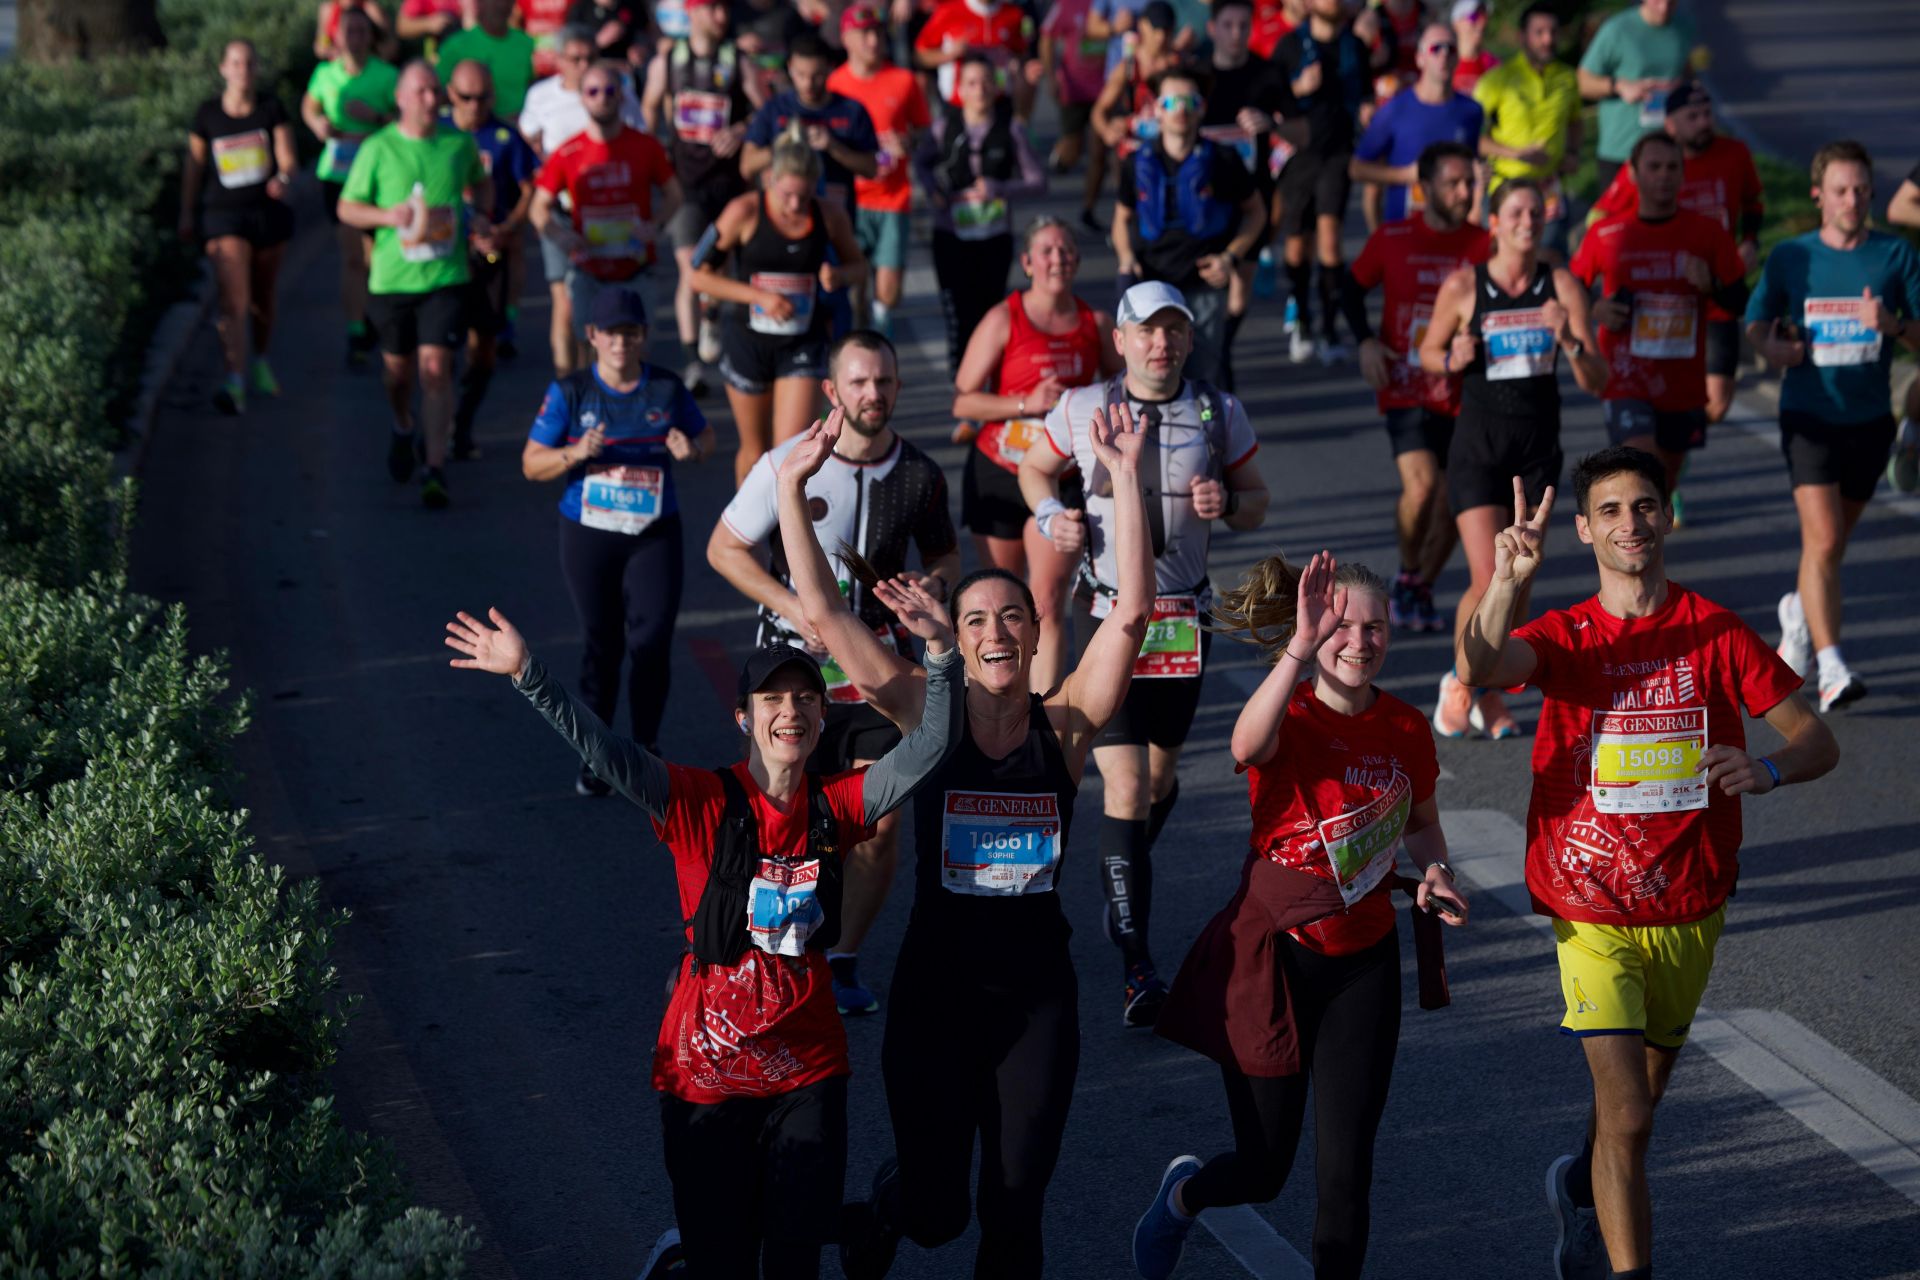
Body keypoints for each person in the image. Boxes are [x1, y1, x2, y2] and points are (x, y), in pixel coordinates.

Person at [443, 586, 965, 1279]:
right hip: (705, 1077)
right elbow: (610, 755)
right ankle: (686, 1253)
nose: (792, 711)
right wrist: (526, 673)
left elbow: (931, 744)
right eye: (773, 701)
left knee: (792, 1260)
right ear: (743, 718)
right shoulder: (697, 801)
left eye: (806, 700)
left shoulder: (838, 805)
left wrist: (942, 648)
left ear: (820, 717)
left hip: (806, 1068)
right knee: (723, 1261)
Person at [1455, 450, 1838, 1280]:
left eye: (1644, 506)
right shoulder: (1564, 635)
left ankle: (1584, 1194)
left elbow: (1817, 739)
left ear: (1665, 517)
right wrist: (1505, 580)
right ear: (1586, 529)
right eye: (1612, 511)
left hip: (1690, 904)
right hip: (1587, 904)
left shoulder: (1716, 631)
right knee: (1625, 1113)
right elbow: (1479, 668)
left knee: (1638, 1111)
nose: (1630, 523)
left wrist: (1767, 769)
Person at [796, 399, 1152, 1280]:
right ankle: (887, 1208)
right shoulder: (927, 711)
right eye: (978, 622)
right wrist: (788, 484)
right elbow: (826, 620)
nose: (997, 633)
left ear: (1034, 637)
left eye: (1013, 619)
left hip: (1036, 996)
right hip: (936, 993)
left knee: (1014, 1209)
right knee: (934, 1211)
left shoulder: (1063, 726)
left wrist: (1129, 478)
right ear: (956, 641)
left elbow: (1134, 613)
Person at [1132, 552, 1469, 1280]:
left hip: (1365, 961)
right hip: (1274, 958)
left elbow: (1422, 826)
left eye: (1374, 627)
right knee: (1265, 1168)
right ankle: (1184, 1197)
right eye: (1341, 626)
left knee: (1347, 1171)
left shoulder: (1407, 727)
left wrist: (1437, 870)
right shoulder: (1290, 713)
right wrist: (1297, 645)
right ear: (1314, 632)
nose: (1360, 641)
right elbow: (1244, 746)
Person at [1019, 280, 1271, 1024]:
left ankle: (1124, 871)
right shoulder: (1080, 406)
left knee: (1159, 784)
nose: (1161, 344)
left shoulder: (1217, 412)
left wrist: (1230, 503)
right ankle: (1137, 962)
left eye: (1175, 332)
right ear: (1121, 339)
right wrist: (1050, 515)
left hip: (1183, 625)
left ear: (1189, 341)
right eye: (1147, 332)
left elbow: (1258, 502)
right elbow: (1035, 468)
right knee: (1124, 788)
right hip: (1110, 621)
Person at [709, 331, 959, 1014]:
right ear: (832, 391)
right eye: (857, 383)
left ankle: (842, 959)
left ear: (898, 388)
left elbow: (947, 556)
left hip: (876, 677)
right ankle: (770, 955)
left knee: (879, 828)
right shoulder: (788, 464)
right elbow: (724, 549)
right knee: (782, 820)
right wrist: (797, 606)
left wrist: (930, 586)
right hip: (794, 673)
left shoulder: (920, 475)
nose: (871, 395)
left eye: (883, 382)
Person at [1418, 177, 1608, 738]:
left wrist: (1568, 339)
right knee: (1487, 576)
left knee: (1520, 581)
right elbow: (1428, 352)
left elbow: (1596, 376)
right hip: (1478, 446)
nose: (1529, 221)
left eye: (1537, 212)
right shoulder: (1463, 286)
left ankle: (1490, 693)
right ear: (1494, 222)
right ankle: (1461, 679)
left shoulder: (1561, 286)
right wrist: (1451, 356)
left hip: (1538, 450)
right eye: (1517, 212)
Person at [1746, 139, 1920, 713]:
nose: (1854, 199)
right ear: (1819, 195)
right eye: (1842, 190)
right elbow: (1758, 324)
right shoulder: (1792, 257)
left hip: (1870, 422)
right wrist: (1776, 349)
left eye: (1862, 189)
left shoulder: (1896, 257)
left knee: (1831, 547)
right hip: (1809, 418)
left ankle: (1797, 616)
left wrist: (1893, 325)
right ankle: (1833, 667)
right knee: (1822, 540)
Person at [521, 286, 714, 792]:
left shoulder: (667, 389)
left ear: (644, 336)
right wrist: (573, 453)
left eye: (630, 333)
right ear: (592, 336)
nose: (621, 343)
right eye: (610, 333)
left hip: (653, 532)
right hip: (589, 533)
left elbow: (707, 438)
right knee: (603, 645)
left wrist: (689, 449)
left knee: (650, 643)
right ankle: (597, 752)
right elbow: (531, 463)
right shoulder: (572, 391)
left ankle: (646, 748)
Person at [954, 216, 1122, 691]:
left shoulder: (1096, 323)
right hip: (998, 472)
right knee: (997, 602)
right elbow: (963, 399)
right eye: (1046, 251)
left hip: (1057, 478)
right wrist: (1027, 403)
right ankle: (993, 703)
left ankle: (1040, 716)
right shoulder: (1004, 318)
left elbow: (1126, 392)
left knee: (1045, 599)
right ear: (1027, 263)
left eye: (1066, 251)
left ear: (1077, 261)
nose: (1057, 259)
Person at [1341, 141, 1489, 634]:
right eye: (1454, 182)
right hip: (1405, 382)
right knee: (1423, 487)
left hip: (1464, 388)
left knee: (1453, 499)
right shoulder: (1393, 236)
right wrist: (1364, 341)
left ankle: (1417, 584)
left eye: (1470, 181)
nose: (1466, 191)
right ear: (1425, 190)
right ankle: (1408, 570)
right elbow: (1350, 288)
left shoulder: (1484, 245)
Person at [337, 59, 491, 508]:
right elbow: (348, 208)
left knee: (436, 369)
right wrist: (388, 216)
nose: (430, 99)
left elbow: (482, 185)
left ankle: (435, 467)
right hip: (391, 282)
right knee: (398, 375)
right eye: (421, 92)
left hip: (446, 277)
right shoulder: (378, 148)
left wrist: (480, 214)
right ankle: (404, 424)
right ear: (401, 99)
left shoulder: (457, 144)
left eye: (434, 91)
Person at [1570, 132, 1749, 495]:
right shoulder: (1608, 233)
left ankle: (1651, 548)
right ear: (1633, 174)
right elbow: (1570, 286)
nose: (1663, 176)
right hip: (1624, 376)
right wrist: (1595, 307)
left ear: (1683, 175)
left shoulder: (1707, 233)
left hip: (1681, 383)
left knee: (1661, 488)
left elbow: (1738, 302)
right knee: (1642, 470)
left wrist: (1711, 284)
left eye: (1672, 168)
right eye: (1653, 167)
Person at [691, 123, 869, 483]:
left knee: (790, 449)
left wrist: (839, 277)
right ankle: (746, 535)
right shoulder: (743, 211)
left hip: (801, 341)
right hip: (748, 338)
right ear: (769, 178)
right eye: (787, 194)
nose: (793, 205)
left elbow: (860, 266)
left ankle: (786, 536)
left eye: (803, 197)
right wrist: (759, 296)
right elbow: (699, 276)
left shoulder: (829, 214)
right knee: (755, 452)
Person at [1590, 81, 1762, 428]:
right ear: (1670, 124)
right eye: (1692, 116)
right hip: (1657, 298)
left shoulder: (1734, 153)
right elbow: (1600, 218)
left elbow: (1752, 202)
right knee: (1650, 403)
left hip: (1714, 290)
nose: (1703, 122)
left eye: (1707, 114)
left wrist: (1751, 242)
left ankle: (1669, 468)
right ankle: (1662, 473)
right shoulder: (1652, 164)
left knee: (1715, 404)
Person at [1113, 65, 1264, 389]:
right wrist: (1126, 259)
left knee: (1208, 384)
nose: (1180, 110)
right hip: (1150, 287)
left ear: (1202, 109)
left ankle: (1214, 439)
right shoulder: (1135, 162)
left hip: (1202, 289)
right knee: (1148, 382)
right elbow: (1121, 220)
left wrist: (1230, 257)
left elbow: (1256, 213)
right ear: (1156, 110)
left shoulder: (1223, 160)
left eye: (1189, 102)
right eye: (1170, 103)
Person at [530, 61, 682, 372]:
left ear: (622, 97)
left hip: (636, 268)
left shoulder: (644, 146)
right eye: (593, 91)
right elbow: (538, 207)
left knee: (636, 359)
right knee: (590, 357)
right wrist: (562, 237)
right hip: (589, 271)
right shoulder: (568, 152)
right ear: (582, 98)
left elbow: (674, 195)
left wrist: (655, 225)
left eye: (610, 91)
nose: (602, 98)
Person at [643, 0, 760, 392]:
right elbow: (649, 108)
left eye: (723, 9)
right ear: (691, 12)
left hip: (728, 185)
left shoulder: (738, 60)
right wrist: (652, 158)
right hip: (685, 184)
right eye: (712, 9)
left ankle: (712, 314)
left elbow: (767, 110)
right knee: (691, 271)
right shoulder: (668, 61)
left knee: (718, 270)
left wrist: (741, 130)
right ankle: (693, 364)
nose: (722, 16)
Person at [914, 54, 1048, 392]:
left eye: (987, 82)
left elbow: (1038, 181)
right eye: (972, 83)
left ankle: (989, 388)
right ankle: (964, 394)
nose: (980, 90)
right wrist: (934, 191)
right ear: (959, 89)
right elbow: (922, 164)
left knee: (990, 315)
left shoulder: (1011, 129)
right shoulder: (944, 127)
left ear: (997, 86)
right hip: (950, 236)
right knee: (958, 318)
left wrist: (1000, 189)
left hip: (993, 238)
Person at [182, 38, 298, 417]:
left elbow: (288, 158)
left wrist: (283, 176)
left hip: (266, 215)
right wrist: (187, 213)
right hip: (223, 216)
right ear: (223, 69)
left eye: (249, 62)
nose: (243, 70)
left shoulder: (271, 109)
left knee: (261, 299)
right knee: (233, 298)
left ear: (257, 68)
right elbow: (194, 168)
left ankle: (260, 360)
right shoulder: (208, 114)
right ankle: (234, 380)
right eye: (235, 62)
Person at [524, 28, 647, 376]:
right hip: (562, 210)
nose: (582, 65)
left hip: (610, 210)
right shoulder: (541, 95)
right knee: (565, 302)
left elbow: (639, 134)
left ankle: (602, 378)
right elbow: (528, 135)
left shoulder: (615, 90)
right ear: (559, 61)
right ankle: (568, 382)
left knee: (609, 304)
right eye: (574, 58)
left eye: (589, 58)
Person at [1198, 0, 1297, 381]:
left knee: (1240, 291)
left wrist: (1271, 124)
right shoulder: (1198, 74)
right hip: (1205, 198)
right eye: (1228, 25)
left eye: (1243, 25)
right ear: (1213, 29)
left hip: (1252, 196)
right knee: (1204, 281)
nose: (1236, 33)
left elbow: (1301, 132)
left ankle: (1220, 347)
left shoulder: (1268, 74)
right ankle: (1212, 357)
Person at [1273, 0, 1372, 363]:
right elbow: (1271, 99)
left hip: (1338, 152)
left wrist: (1367, 108)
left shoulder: (1355, 46)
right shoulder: (1289, 46)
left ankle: (1330, 328)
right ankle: (1302, 318)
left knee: (1330, 239)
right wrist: (1297, 89)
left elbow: (1365, 92)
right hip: (1300, 154)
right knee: (1298, 247)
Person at [447, 60, 537, 458]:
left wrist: (510, 226)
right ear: (451, 95)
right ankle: (441, 424)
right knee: (441, 346)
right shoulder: (438, 134)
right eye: (466, 97)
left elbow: (529, 187)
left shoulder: (504, 135)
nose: (474, 105)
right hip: (445, 257)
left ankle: (462, 420)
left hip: (490, 254)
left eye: (483, 97)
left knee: (483, 349)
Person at [302, 5, 398, 369]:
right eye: (348, 31)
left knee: (376, 259)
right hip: (339, 175)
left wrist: (374, 117)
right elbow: (309, 107)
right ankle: (357, 330)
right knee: (353, 258)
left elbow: (407, 122)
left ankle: (375, 316)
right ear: (336, 37)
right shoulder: (326, 74)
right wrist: (318, 125)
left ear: (370, 37)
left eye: (362, 31)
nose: (355, 38)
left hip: (381, 177)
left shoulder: (387, 76)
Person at [829, 4, 933, 338]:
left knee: (888, 286)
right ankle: (860, 334)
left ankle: (878, 332)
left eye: (877, 32)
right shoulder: (834, 83)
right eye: (864, 34)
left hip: (892, 197)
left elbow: (923, 133)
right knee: (855, 280)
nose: (873, 40)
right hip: (849, 199)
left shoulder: (903, 80)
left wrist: (907, 143)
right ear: (846, 38)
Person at [1473, 2, 1581, 262]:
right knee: (1504, 265)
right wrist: (1516, 154)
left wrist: (1573, 152)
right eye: (1539, 32)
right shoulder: (1497, 79)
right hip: (1506, 187)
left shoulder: (1568, 77)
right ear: (1523, 37)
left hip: (1548, 187)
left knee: (1551, 264)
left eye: (1553, 32)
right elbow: (1471, 135)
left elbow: (1575, 121)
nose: (1548, 39)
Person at [1349, 22, 1484, 227]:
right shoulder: (1394, 110)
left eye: (1451, 49)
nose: (1444, 55)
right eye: (1435, 49)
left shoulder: (1471, 111)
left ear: (1458, 57)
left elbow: (1472, 165)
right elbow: (1357, 169)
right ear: (1420, 59)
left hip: (1454, 232)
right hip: (1406, 231)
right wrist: (1405, 175)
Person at [741, 32, 881, 215]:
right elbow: (747, 166)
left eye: (817, 76)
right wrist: (784, 144)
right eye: (801, 75)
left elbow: (871, 168)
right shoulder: (775, 108)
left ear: (830, 68)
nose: (808, 83)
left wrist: (834, 147)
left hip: (834, 217)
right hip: (785, 217)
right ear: (790, 67)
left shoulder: (852, 110)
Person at [1576, 0, 1704, 192]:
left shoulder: (1683, 26)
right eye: (1657, 1)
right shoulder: (1617, 30)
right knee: (1621, 219)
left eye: (1670, 2)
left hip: (1669, 149)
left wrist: (1685, 88)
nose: (1663, 8)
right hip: (1622, 150)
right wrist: (1619, 86)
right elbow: (1581, 82)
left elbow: (1684, 69)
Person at [1088, 0, 1184, 234]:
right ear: (1143, 28)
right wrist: (1107, 130)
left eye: (1167, 31)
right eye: (1156, 30)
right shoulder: (1129, 66)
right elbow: (1099, 110)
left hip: (1171, 146)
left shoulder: (1179, 65)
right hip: (1134, 148)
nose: (1161, 38)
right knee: (1132, 205)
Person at [913, 0, 1039, 118]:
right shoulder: (948, 11)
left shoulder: (1014, 14)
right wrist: (949, 54)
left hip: (1000, 101)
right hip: (957, 106)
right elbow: (920, 56)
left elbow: (1022, 54)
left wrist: (1018, 66)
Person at [1038, 0, 1108, 178]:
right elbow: (1047, 37)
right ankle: (1061, 156)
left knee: (1099, 149)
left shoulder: (1112, 3)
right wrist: (1051, 76)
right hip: (1074, 90)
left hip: (1106, 90)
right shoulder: (1065, 4)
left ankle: (1090, 205)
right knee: (1073, 146)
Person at [436, 0, 538, 120]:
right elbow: (439, 93)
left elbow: (532, 87)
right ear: (479, 4)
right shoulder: (455, 47)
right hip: (472, 127)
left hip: (517, 126)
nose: (498, 6)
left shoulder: (526, 44)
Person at [316, 0, 397, 61]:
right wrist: (335, 52)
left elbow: (391, 49)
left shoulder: (371, 10)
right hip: (340, 73)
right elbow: (320, 48)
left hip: (370, 71)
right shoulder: (329, 10)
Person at [1449, 0, 1497, 93]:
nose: (1481, 23)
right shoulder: (1443, 60)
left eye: (1484, 16)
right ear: (1456, 23)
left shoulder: (1493, 65)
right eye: (1474, 17)